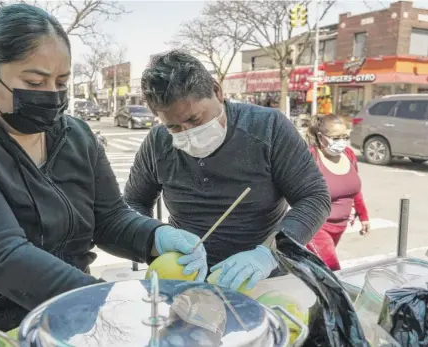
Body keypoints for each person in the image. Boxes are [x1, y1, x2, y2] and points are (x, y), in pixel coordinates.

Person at [0, 5, 207, 344]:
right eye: (34, 81)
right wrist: (108, 302)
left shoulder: (76, 136)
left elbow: (109, 218)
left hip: (69, 318)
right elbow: (1, 254)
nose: (51, 94)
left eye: (61, 82)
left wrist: (155, 236)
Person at [124, 50, 331, 293]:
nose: (187, 132)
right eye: (174, 126)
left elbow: (315, 198)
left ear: (217, 91)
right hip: (185, 282)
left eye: (195, 119)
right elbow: (132, 202)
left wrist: (269, 254)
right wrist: (155, 237)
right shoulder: (158, 142)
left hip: (260, 279)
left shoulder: (268, 128)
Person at [306, 114, 370, 271]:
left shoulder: (348, 154)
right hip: (315, 227)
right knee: (333, 272)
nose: (341, 142)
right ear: (321, 137)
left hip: (340, 227)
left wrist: (364, 216)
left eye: (344, 136)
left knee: (319, 275)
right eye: (336, 138)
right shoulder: (311, 157)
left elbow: (354, 188)